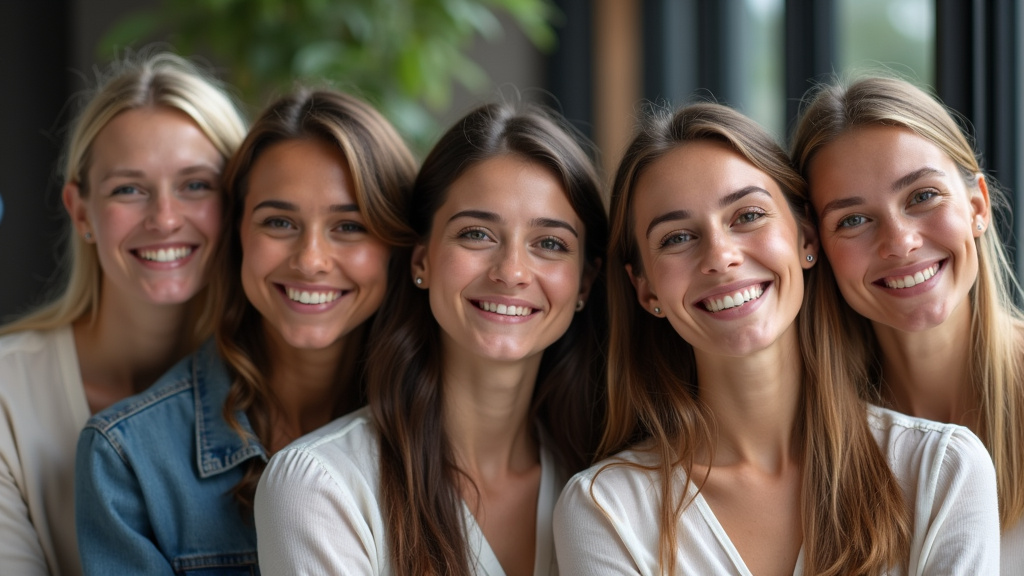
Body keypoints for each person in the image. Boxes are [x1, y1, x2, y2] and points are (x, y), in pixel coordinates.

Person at [553, 102, 999, 575]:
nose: (720, 257)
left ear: (806, 238)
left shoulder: (941, 468)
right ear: (645, 288)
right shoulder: (606, 509)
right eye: (677, 238)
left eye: (747, 215)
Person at [255, 100, 608, 576]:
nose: (511, 272)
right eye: (477, 234)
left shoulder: (608, 483)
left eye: (550, 244)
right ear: (421, 260)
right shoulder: (323, 486)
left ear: (584, 282)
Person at [74, 88, 417, 574]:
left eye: (349, 226)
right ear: (238, 234)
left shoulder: (440, 431)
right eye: (279, 221)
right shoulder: (127, 457)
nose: (310, 260)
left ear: (398, 247)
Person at [0, 51, 246, 576]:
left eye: (195, 185)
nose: (164, 218)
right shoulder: (7, 393)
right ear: (81, 211)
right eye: (128, 189)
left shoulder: (277, 377)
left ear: (238, 204)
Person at [790, 75, 1024, 571]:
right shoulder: (805, 436)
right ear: (814, 248)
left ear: (977, 205)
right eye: (852, 220)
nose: (899, 242)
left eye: (922, 196)